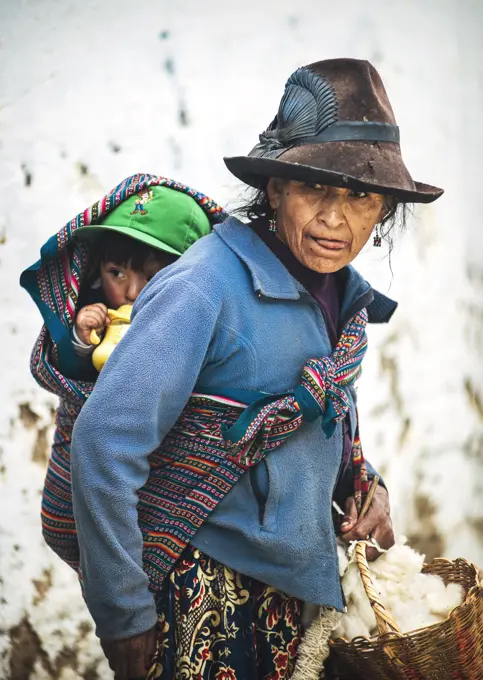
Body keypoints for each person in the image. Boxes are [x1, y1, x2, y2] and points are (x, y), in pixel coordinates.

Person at [70, 60, 443, 680]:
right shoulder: (204, 287)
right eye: (314, 188)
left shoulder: (340, 297)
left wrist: (364, 483)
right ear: (274, 189)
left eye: (360, 196)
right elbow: (104, 444)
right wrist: (124, 613)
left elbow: (312, 421)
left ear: (382, 210)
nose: (335, 219)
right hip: (203, 600)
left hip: (296, 595)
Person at [20, 174, 225, 570]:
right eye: (117, 273)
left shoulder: (199, 326)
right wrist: (82, 337)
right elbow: (78, 375)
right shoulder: (97, 315)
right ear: (97, 271)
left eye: (151, 277)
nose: (131, 292)